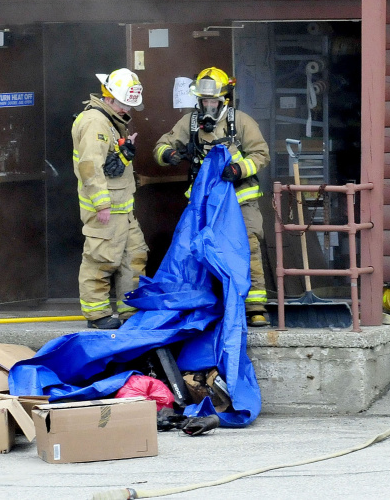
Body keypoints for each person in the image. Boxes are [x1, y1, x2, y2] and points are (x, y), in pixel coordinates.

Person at [153, 66, 271, 327]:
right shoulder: (190, 122)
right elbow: (161, 146)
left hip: (241, 200)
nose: (208, 106)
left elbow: (261, 154)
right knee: (199, 251)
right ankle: (207, 304)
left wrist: (238, 169)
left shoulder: (241, 122)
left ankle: (254, 307)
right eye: (204, 101)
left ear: (224, 100)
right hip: (205, 204)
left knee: (247, 247)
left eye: (213, 101)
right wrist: (169, 155)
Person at [71, 68, 149, 330]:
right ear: (111, 98)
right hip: (107, 208)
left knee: (133, 257)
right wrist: (102, 203)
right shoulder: (95, 122)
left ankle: (131, 311)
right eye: (127, 103)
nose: (130, 109)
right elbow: (90, 166)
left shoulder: (111, 120)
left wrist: (124, 153)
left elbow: (109, 164)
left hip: (123, 208)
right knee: (101, 259)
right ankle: (97, 315)